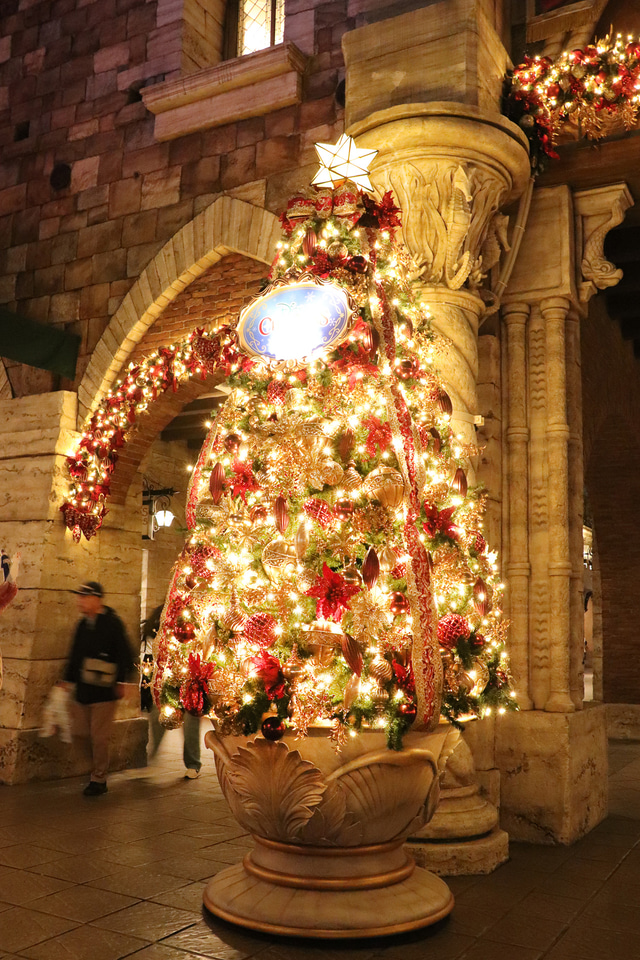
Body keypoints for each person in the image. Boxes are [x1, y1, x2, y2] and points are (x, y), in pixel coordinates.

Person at [64, 581, 134, 796]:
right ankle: (94, 767)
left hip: (105, 691)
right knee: (80, 733)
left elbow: (125, 654)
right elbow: (74, 655)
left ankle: (99, 778)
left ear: (96, 599)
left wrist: (122, 682)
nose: (80, 601)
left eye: (84, 597)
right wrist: (66, 680)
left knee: (99, 736)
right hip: (83, 690)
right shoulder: (82, 625)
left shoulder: (112, 623)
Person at [141, 604, 202, 779]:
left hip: (190, 677)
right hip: (168, 676)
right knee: (158, 715)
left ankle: (193, 763)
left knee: (191, 722)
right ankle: (152, 754)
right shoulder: (164, 610)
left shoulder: (194, 615)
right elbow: (152, 637)